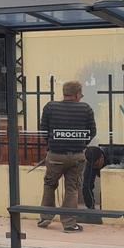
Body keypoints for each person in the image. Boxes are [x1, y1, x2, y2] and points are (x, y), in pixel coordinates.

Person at [37, 80, 96, 232]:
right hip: (77, 156)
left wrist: (52, 144)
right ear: (77, 94)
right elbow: (92, 131)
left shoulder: (50, 107)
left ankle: (45, 218)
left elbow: (44, 130)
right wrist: (81, 144)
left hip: (55, 155)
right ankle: (69, 224)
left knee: (50, 184)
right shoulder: (86, 108)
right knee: (72, 189)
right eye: (81, 94)